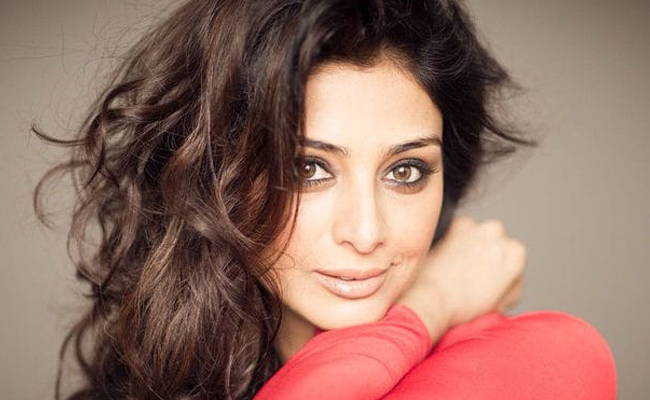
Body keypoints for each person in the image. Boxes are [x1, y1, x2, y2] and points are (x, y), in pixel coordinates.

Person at [33, 0, 616, 399]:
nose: (366, 232)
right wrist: (430, 301)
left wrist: (431, 303)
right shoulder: (163, 376)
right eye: (307, 169)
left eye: (406, 170)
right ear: (216, 180)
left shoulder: (544, 360)